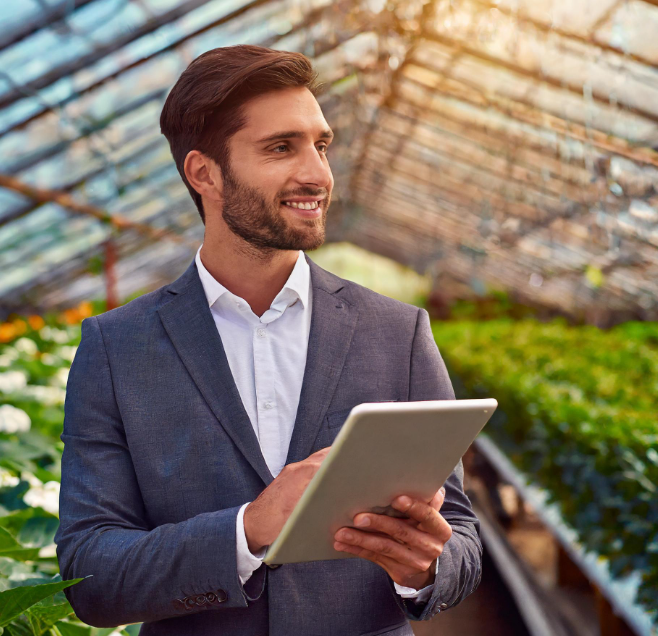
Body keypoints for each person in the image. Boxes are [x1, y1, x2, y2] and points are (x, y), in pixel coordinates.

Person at [55, 44, 482, 636]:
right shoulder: (116, 348)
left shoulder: (397, 332)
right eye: (282, 147)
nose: (317, 173)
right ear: (204, 173)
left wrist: (426, 569)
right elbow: (89, 576)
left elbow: (462, 538)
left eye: (321, 145)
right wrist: (248, 529)